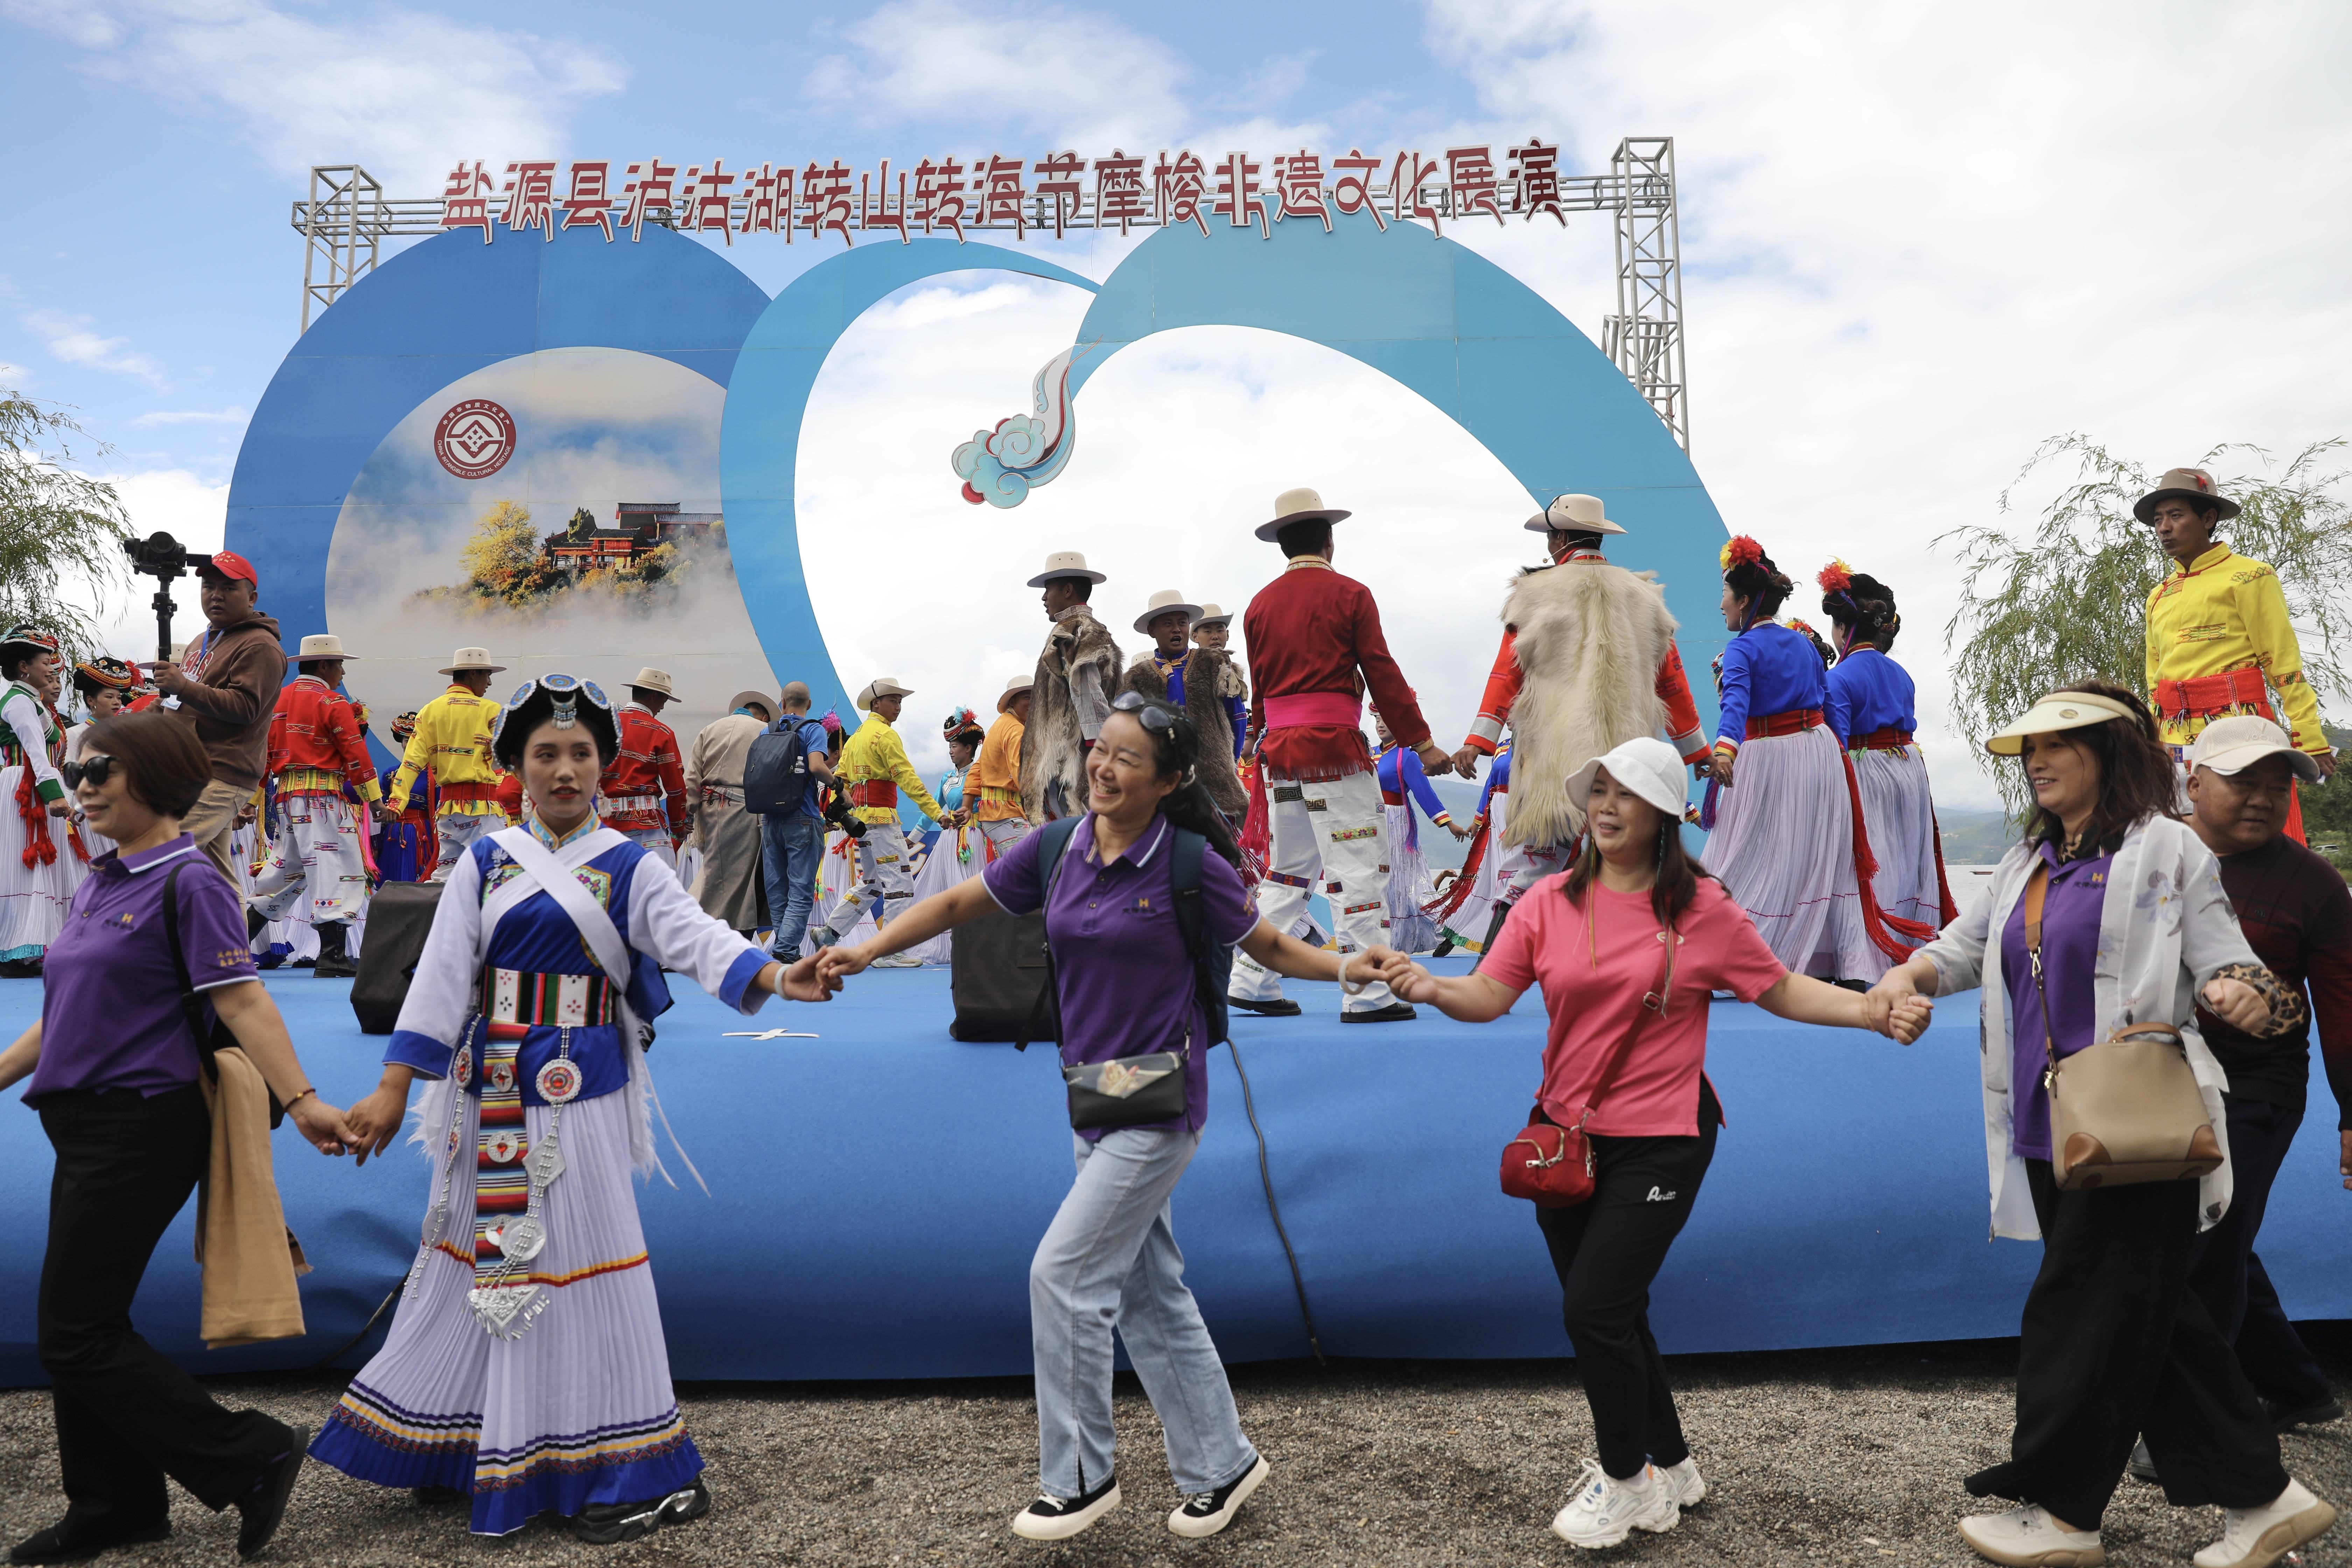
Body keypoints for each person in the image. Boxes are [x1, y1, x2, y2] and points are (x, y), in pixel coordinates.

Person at [815, 692, 1388, 1542]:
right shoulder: (1057, 848)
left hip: (1161, 1103)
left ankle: (1079, 1476)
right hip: (1094, 1091)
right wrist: (865, 947)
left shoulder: (1191, 864)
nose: (1104, 767)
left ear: (1168, 781)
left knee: (1065, 1274)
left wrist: (1350, 965)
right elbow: (952, 905)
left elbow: (1268, 949)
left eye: (1126, 758)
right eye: (1100, 751)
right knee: (1150, 1294)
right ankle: (1222, 1462)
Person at [313, 672, 826, 1541]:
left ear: (603, 766)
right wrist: (394, 1088)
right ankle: (470, 1434)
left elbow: (698, 940)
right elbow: (440, 983)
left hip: (580, 1095)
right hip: (485, 1093)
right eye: (545, 754)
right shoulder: (483, 859)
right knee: (486, 1264)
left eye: (580, 754)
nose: (563, 769)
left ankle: (626, 1467)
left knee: (581, 1268)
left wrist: (778, 972)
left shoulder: (632, 864)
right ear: (515, 765)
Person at [1390, 737, 1928, 1547]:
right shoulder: (1544, 904)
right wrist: (1430, 986)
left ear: (1665, 815)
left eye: (1626, 795)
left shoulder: (1702, 910)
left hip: (1666, 1137)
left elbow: (1778, 988)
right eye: (1597, 791)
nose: (1605, 807)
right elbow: (1489, 994)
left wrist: (1869, 1011)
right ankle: (1672, 1464)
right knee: (1619, 1311)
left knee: (1594, 1310)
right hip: (1565, 1136)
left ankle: (1626, 1480)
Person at [1866, 682, 2336, 1568]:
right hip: (2050, 1129)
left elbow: (2246, 975)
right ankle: (2268, 1502)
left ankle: (2064, 1513)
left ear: (2113, 752)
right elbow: (1966, 947)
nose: (2038, 759)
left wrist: (2240, 995)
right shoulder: (2027, 861)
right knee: (2155, 1325)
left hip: (2135, 1132)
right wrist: (1906, 978)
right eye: (2031, 747)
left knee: (2071, 1320)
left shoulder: (2170, 851)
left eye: (2061, 743)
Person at [0, 708, 358, 1565]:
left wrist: (302, 1100)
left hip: (144, 1122)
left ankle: (251, 1454)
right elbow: (61, 1019)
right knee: (92, 1319)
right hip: (81, 1123)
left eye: (100, 773)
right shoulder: (101, 879)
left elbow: (241, 1001)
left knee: (75, 1333)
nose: (81, 788)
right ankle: (116, 1507)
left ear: (152, 779)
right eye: (80, 772)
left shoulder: (188, 881)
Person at [2172, 717, 2351, 1443]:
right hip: (2157, 1077)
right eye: (2246, 780)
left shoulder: (2313, 883)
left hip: (2257, 1087)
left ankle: (2197, 1423)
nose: (2264, 797)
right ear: (2195, 781)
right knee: (2214, 1234)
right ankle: (2295, 1386)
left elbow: (2344, 1005)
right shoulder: (2152, 851)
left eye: (2279, 785)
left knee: (2208, 1240)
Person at [1448, 495, 1711, 952]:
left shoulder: (1534, 594)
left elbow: (1506, 673)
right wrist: (1698, 754)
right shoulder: (1643, 597)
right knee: (1634, 866)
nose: (1549, 546)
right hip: (1628, 758)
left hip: (1557, 757)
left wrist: (1479, 742)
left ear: (1562, 538)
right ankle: (1653, 966)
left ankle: (1490, 970)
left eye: (1551, 536)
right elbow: (1673, 684)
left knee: (1533, 869)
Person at [1230, 487, 1453, 1022]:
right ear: (1329, 542)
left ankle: (1251, 978)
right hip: (1333, 751)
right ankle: (1369, 991)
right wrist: (1421, 741)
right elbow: (1381, 670)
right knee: (1358, 868)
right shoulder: (1351, 594)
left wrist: (1262, 741)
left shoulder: (1259, 604)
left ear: (1284, 545)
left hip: (1280, 755)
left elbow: (1260, 692)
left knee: (1289, 871)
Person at [1702, 536, 1877, 981]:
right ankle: (1835, 960)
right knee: (1817, 855)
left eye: (1725, 595)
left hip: (1768, 755)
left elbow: (1735, 705)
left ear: (1743, 600)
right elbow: (1823, 700)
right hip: (1818, 752)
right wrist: (1838, 760)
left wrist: (1724, 750)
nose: (1721, 604)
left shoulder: (1741, 650)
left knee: (1740, 852)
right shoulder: (1803, 644)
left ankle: (1725, 953)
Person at [2141, 465, 2337, 843]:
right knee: (2181, 844)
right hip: (2174, 742)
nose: (2164, 527)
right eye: (2159, 519)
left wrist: (2309, 737)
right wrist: (2151, 746)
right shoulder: (2159, 595)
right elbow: (2155, 680)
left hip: (2238, 731)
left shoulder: (2250, 577)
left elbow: (2283, 662)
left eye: (2176, 516)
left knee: (2247, 840)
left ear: (2209, 518)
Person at [1817, 561, 1956, 981]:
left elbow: (1837, 743)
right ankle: (1914, 950)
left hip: (1866, 768)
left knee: (1868, 858)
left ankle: (1867, 961)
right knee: (1908, 855)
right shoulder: (1902, 674)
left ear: (1844, 628)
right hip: (1909, 768)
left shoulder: (1838, 678)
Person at [140, 551, 286, 888]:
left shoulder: (260, 645)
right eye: (209, 586)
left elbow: (245, 707)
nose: (216, 594)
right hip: (192, 770)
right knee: (216, 879)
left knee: (158, 859)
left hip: (220, 773)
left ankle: (144, 942)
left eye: (228, 588)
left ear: (252, 598)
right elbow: (177, 702)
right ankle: (232, 942)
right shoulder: (201, 641)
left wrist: (185, 687)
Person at [245, 634, 380, 979]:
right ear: (324, 665)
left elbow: (260, 755)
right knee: (336, 868)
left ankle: (233, 946)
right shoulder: (332, 701)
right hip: (323, 800)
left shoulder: (278, 701)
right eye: (340, 666)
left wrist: (250, 800)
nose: (342, 674)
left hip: (288, 798)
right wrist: (374, 799)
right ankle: (332, 956)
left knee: (285, 873)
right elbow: (355, 753)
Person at [806, 678, 943, 962]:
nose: (898, 707)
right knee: (901, 885)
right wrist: (937, 813)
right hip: (882, 820)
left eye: (900, 701)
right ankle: (888, 951)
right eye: (893, 701)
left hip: (860, 822)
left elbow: (839, 777)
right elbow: (908, 779)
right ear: (876, 703)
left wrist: (835, 812)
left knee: (870, 882)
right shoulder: (885, 736)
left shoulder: (855, 738)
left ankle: (830, 933)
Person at [1119, 590, 1247, 820]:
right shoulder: (1136, 678)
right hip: (1161, 785)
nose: (1177, 629)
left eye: (1182, 623)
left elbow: (1237, 717)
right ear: (1152, 631)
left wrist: (1232, 762)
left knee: (1223, 851)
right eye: (1168, 624)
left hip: (1216, 782)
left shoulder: (1214, 663)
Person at [386, 648, 509, 881]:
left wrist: (397, 801)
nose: (490, 682)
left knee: (448, 874)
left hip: (448, 811)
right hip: (481, 808)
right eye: (486, 675)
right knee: (498, 873)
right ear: (473, 674)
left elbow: (412, 762)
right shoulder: (491, 711)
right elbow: (510, 757)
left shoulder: (429, 712)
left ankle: (442, 917)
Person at [0, 629, 82, 977]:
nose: (53, 669)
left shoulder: (32, 700)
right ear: (23, 667)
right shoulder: (19, 702)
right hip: (23, 784)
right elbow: (36, 752)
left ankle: (32, 945)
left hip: (37, 782)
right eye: (46, 663)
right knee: (23, 863)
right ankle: (14, 948)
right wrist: (56, 798)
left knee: (40, 866)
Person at [1021, 551, 1122, 821]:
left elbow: (1089, 697)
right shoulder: (1076, 630)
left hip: (1072, 766)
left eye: (1048, 589)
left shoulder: (1078, 631)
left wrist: (1099, 755)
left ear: (1067, 590)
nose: (1044, 598)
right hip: (1064, 762)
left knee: (1076, 844)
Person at [685, 689, 775, 936]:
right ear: (765, 716)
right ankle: (696, 929)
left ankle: (715, 932)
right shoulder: (763, 731)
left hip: (710, 808)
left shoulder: (711, 729)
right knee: (735, 879)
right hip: (745, 808)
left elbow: (693, 777)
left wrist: (689, 812)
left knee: (716, 871)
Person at [760, 681, 839, 959]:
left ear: (782, 703)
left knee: (778, 889)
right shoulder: (812, 729)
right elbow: (818, 767)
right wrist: (839, 787)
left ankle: (786, 948)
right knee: (801, 889)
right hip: (802, 817)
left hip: (769, 819)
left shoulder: (766, 730)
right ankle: (785, 948)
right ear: (808, 705)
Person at [1376, 710, 1465, 954]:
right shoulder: (1370, 754)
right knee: (1377, 885)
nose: (1380, 725)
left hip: (1395, 823)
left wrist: (1448, 824)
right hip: (1369, 825)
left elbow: (1424, 793)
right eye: (1376, 720)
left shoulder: (1407, 756)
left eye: (1386, 719)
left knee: (1405, 888)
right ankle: (1384, 940)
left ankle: (1448, 928)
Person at [600, 667, 691, 869]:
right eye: (664, 701)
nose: (662, 708)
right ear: (653, 696)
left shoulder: (602, 727)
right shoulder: (661, 732)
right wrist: (678, 826)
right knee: (656, 887)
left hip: (601, 823)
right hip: (645, 827)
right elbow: (675, 789)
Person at [968, 675, 1032, 860]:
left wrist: (967, 806)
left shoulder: (999, 726)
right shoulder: (1015, 730)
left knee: (1015, 873)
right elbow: (1023, 774)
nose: (1033, 703)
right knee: (1024, 872)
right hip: (1008, 815)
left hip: (995, 814)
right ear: (1012, 701)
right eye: (1027, 698)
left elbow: (976, 770)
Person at [374, 710, 436, 884]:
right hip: (392, 834)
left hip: (421, 833)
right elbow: (382, 811)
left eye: (414, 740)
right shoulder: (390, 774)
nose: (409, 744)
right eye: (406, 740)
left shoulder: (434, 776)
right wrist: (376, 844)